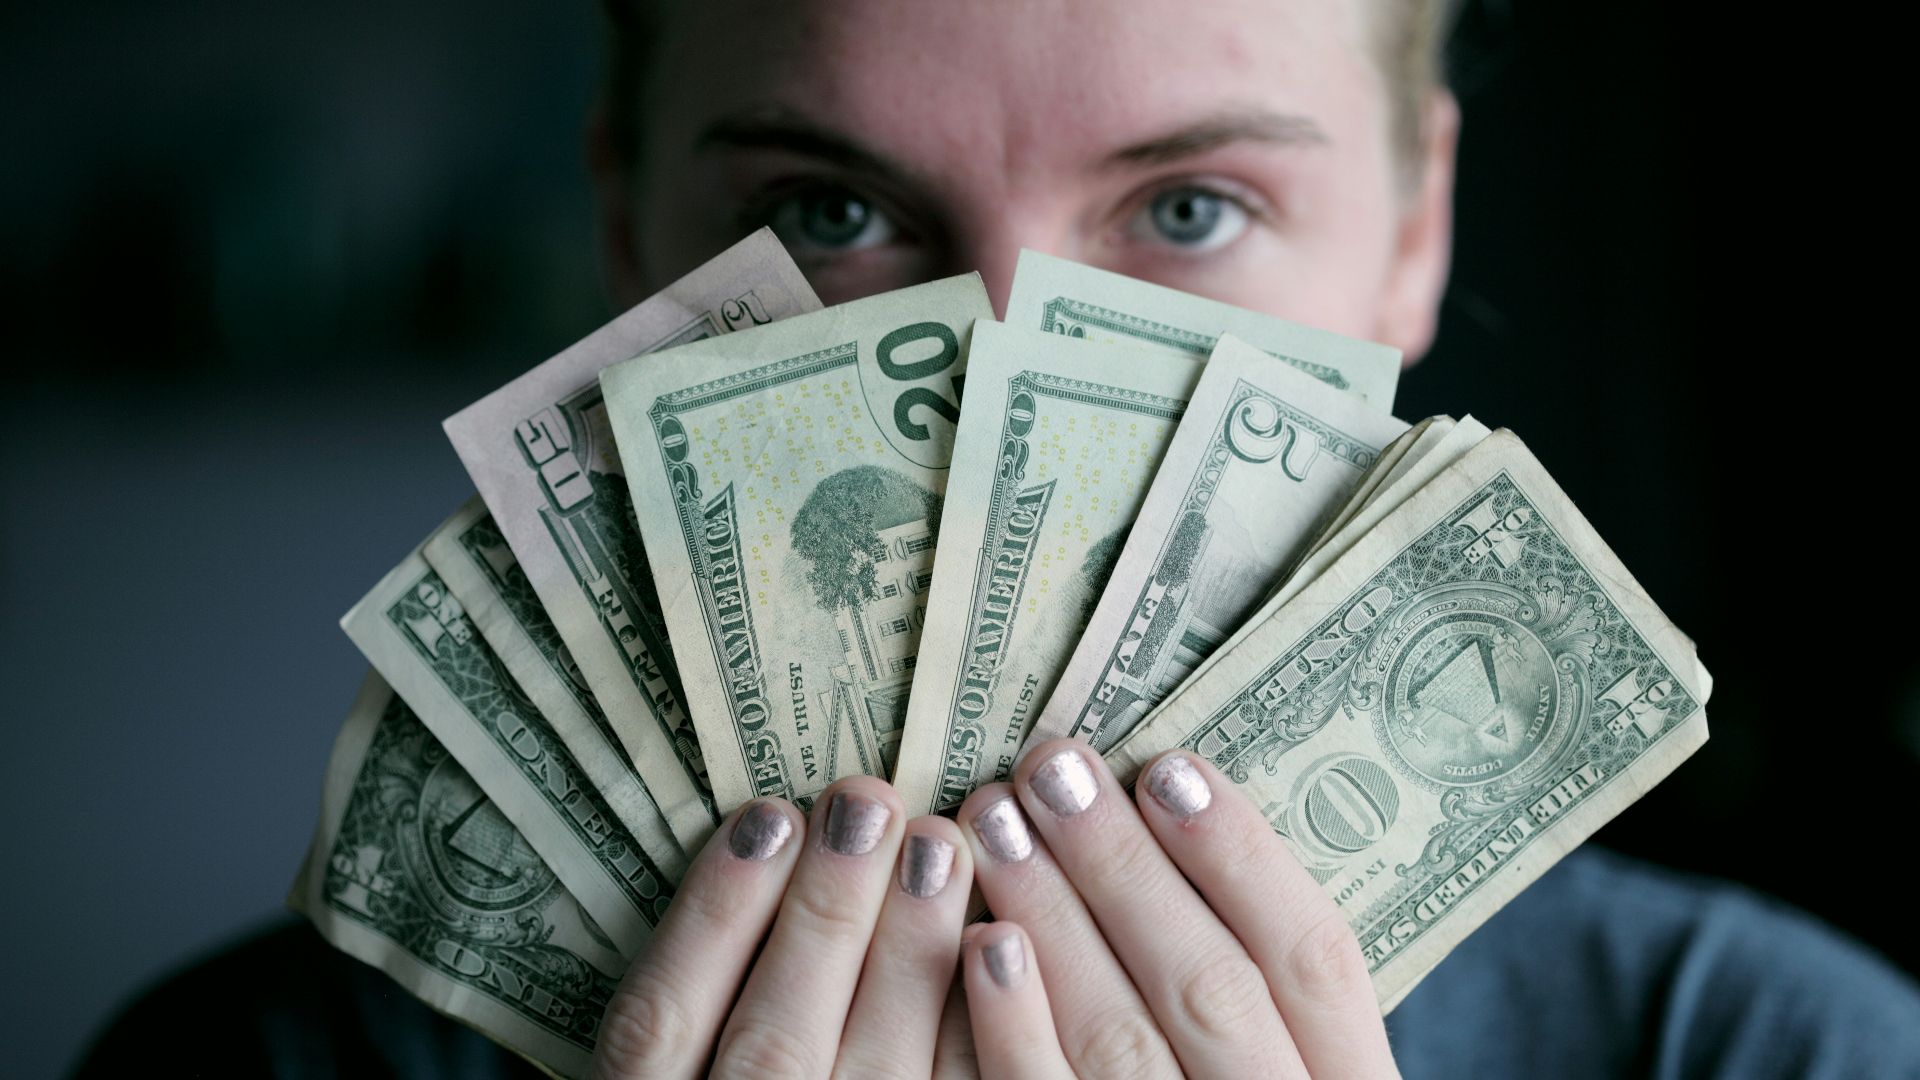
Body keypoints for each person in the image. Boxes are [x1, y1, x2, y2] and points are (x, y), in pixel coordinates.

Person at [77, 1, 1920, 1077]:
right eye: (832, 205)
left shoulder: (1780, 1051)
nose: (1000, 363)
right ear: (631, 237)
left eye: (1190, 206)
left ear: (1418, 233)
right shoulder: (241, 1072)